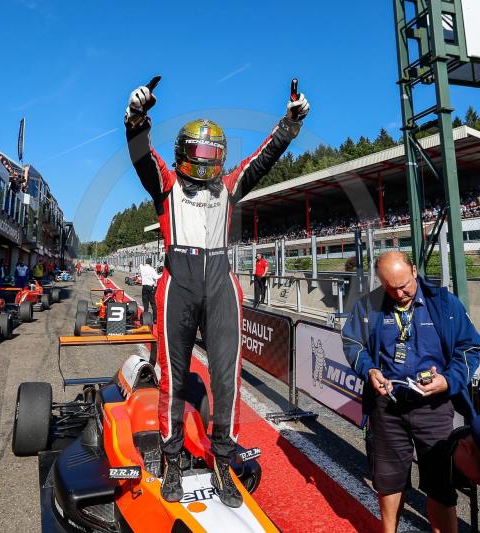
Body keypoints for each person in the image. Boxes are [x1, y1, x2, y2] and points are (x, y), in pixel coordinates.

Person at [125, 79, 309, 507]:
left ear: (220, 156)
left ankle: (223, 460)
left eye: (213, 153)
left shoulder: (229, 185)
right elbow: (140, 153)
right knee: (172, 377)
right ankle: (171, 461)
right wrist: (135, 118)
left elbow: (266, 158)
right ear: (184, 153)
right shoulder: (166, 185)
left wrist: (291, 122)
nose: (206, 160)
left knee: (227, 377)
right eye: (199, 152)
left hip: (221, 279)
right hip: (179, 280)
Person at [341, 251, 480, 533]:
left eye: (404, 284)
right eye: (390, 287)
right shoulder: (368, 305)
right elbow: (352, 342)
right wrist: (369, 371)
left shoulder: (444, 304)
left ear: (415, 271)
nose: (399, 292)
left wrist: (448, 380)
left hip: (434, 408)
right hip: (387, 407)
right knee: (389, 481)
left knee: (441, 485)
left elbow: (470, 348)